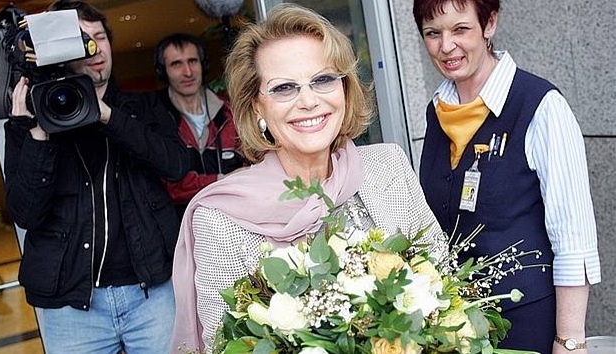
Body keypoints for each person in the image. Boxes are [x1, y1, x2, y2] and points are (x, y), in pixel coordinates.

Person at [171, 3, 448, 352]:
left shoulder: (388, 166)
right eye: (284, 88)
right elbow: (223, 346)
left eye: (322, 79)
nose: (308, 101)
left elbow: (444, 282)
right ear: (257, 106)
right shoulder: (220, 220)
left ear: (344, 88)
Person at [412, 0, 601, 353]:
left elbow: (574, 238)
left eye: (460, 29)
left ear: (490, 24)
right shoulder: (437, 112)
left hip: (530, 324)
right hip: (459, 326)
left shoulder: (541, 106)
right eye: (432, 33)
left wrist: (569, 340)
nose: (446, 46)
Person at [3, 0, 191, 353]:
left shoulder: (145, 107)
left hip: (150, 293)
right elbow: (26, 213)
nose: (94, 48)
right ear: (61, 52)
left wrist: (106, 115)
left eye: (100, 37)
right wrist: (37, 132)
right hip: (72, 308)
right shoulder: (29, 122)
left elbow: (176, 165)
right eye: (81, 39)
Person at [153, 33, 245, 216]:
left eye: (193, 61)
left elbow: (251, 170)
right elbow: (172, 187)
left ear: (203, 65)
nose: (188, 72)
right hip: (181, 225)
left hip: (235, 218)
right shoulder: (156, 119)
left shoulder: (230, 113)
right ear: (162, 71)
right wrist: (223, 180)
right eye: (176, 64)